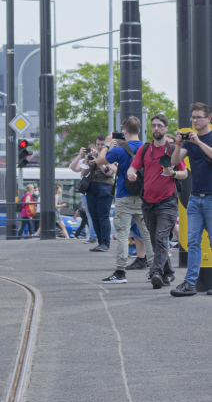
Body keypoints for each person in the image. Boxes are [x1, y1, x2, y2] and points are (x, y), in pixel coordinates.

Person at [126, 114, 187, 289]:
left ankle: (156, 272)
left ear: (166, 128)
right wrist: (131, 172)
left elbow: (184, 173)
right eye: (153, 125)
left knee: (161, 237)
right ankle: (169, 272)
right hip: (148, 202)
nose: (156, 129)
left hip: (167, 202)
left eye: (160, 125)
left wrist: (173, 173)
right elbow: (134, 166)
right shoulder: (144, 149)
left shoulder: (173, 148)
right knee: (154, 240)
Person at [98, 116, 151, 283]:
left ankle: (120, 272)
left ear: (125, 132)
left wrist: (107, 143)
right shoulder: (147, 148)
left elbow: (100, 161)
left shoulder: (120, 150)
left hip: (124, 196)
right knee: (147, 234)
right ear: (140, 130)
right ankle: (155, 269)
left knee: (122, 234)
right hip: (144, 197)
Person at [169, 102, 212, 296]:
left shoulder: (207, 138)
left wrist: (199, 142)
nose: (195, 121)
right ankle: (189, 283)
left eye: (198, 117)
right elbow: (174, 161)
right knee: (193, 241)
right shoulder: (188, 140)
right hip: (195, 197)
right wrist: (178, 145)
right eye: (193, 117)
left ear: (208, 119)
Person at [71, 134, 115, 253]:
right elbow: (83, 174)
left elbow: (109, 173)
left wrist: (99, 162)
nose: (100, 147)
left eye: (102, 144)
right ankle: (100, 243)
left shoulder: (110, 155)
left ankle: (106, 243)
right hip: (91, 187)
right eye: (98, 144)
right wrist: (87, 163)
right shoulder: (92, 156)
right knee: (94, 216)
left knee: (103, 216)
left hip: (105, 187)